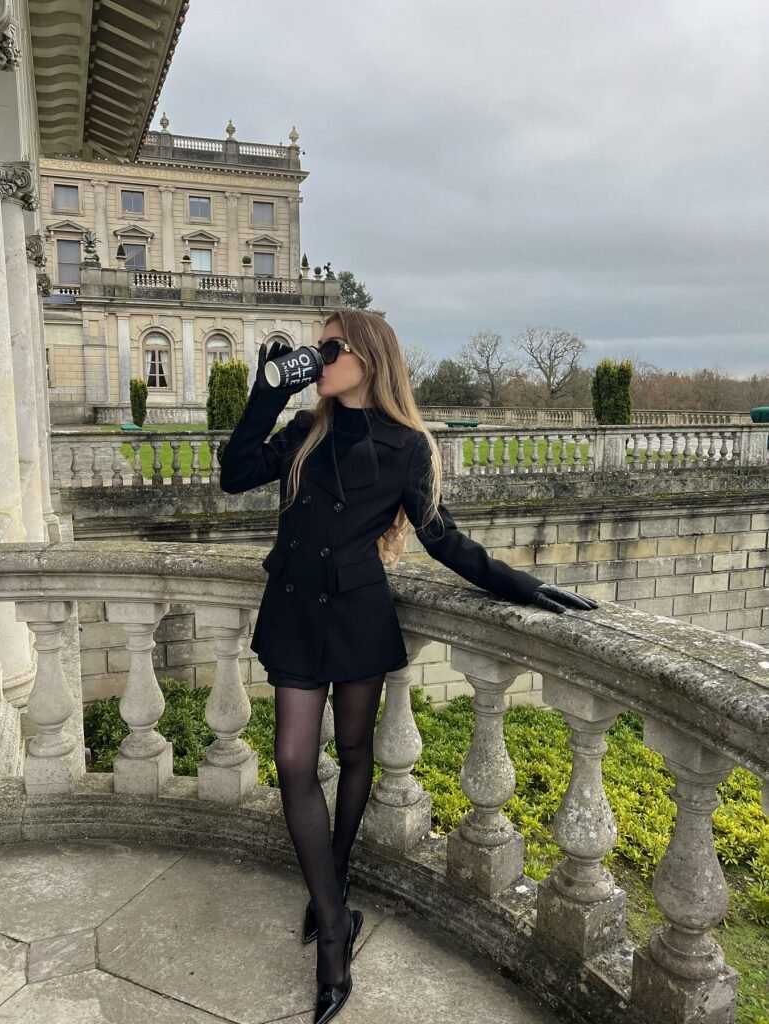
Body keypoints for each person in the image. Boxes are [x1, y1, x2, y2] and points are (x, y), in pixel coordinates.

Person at [218, 309, 597, 1024]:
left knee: (356, 753)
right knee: (296, 763)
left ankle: (332, 883)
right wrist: (268, 392)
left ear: (366, 358)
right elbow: (234, 475)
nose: (318, 357)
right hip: (296, 612)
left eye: (329, 348)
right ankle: (335, 928)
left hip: (358, 615)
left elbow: (444, 541)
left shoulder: (407, 446)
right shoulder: (305, 431)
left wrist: (523, 585)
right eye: (317, 347)